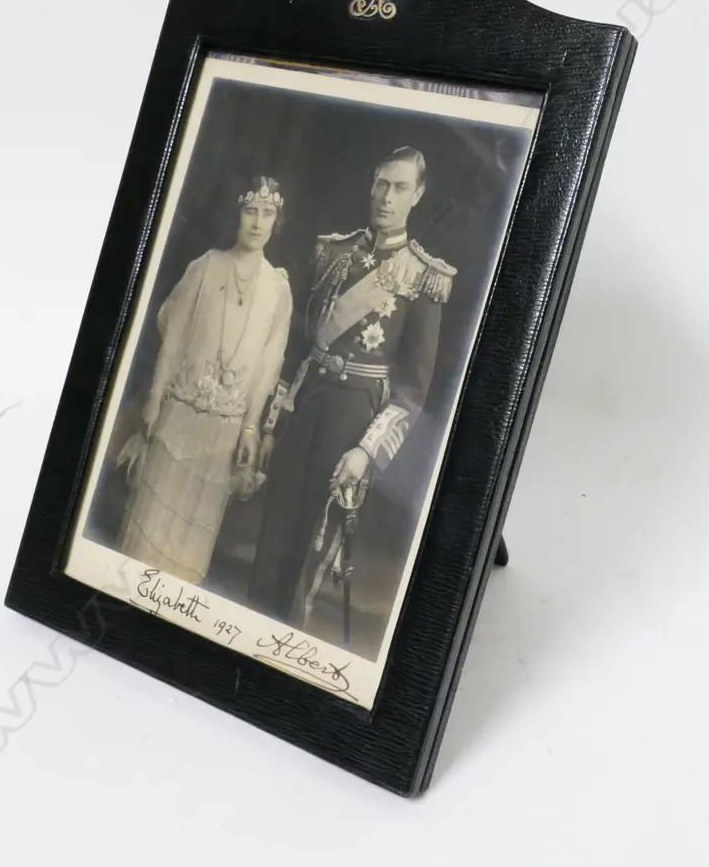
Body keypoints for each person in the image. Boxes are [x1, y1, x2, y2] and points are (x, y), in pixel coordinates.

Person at [247, 147, 455, 625]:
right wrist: (273, 418)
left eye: (400, 187)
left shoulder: (425, 278)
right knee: (274, 534)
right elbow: (299, 344)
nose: (386, 197)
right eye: (381, 183)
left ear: (417, 196)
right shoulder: (332, 252)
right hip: (305, 405)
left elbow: (413, 391)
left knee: (310, 550)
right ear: (371, 184)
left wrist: (366, 451)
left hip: (354, 419)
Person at [117, 177, 293, 585]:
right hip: (178, 413)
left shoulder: (278, 288)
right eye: (250, 211)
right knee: (151, 523)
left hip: (225, 431)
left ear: (276, 222)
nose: (257, 222)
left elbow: (269, 364)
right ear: (237, 214)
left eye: (268, 214)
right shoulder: (205, 266)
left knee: (191, 537)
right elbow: (173, 335)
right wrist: (154, 399)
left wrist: (251, 427)